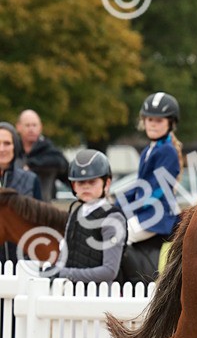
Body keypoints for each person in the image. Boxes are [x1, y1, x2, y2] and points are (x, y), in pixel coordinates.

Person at [117, 92, 182, 283]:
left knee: (118, 235)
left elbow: (156, 190)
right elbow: (140, 185)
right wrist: (117, 201)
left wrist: (129, 208)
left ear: (170, 123)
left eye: (159, 120)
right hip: (146, 212)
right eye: (150, 119)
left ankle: (139, 282)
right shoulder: (148, 150)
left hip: (157, 216)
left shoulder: (168, 151)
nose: (153, 124)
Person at [41, 150, 126, 284]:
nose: (86, 187)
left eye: (92, 182)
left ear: (107, 183)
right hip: (69, 292)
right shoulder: (75, 212)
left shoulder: (113, 218)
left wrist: (62, 273)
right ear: (74, 186)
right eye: (80, 183)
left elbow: (109, 271)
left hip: (98, 296)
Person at [0, 121, 42, 267]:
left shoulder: (30, 180)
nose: (2, 149)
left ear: (15, 146)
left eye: (7, 143)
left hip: (23, 265)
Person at [15, 109, 70, 201]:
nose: (31, 129)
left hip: (44, 209)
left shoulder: (50, 151)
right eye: (27, 125)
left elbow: (63, 166)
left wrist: (31, 165)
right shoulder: (12, 150)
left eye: (34, 125)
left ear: (40, 127)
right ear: (18, 127)